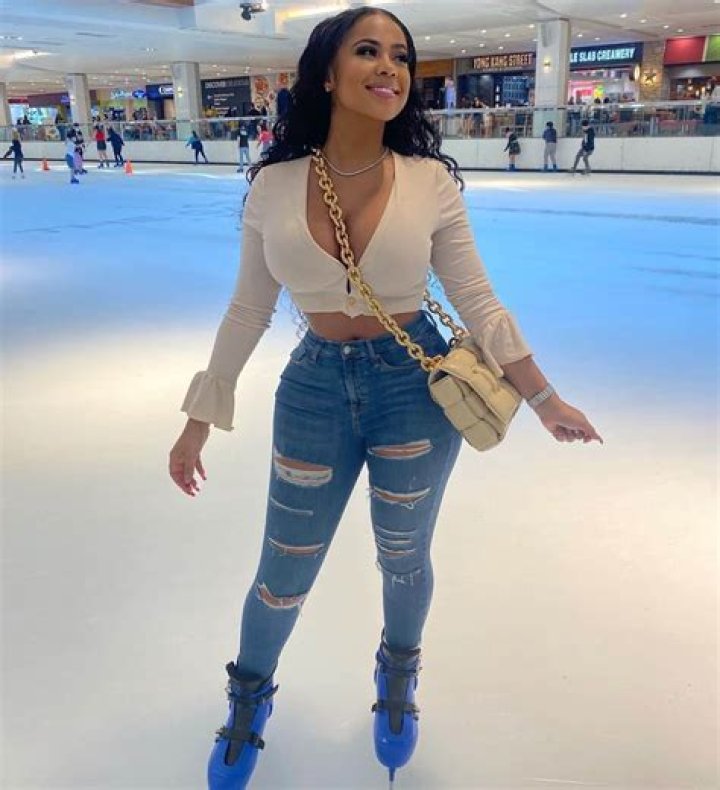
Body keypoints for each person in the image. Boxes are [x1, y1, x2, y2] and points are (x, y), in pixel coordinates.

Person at [169, 8, 602, 789]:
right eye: (367, 52)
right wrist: (199, 419)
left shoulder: (429, 181)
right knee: (283, 566)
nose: (389, 68)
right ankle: (248, 697)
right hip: (312, 389)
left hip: (414, 387)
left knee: (404, 556)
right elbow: (248, 307)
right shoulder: (275, 185)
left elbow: (477, 300)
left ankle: (397, 674)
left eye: (401, 57)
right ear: (326, 75)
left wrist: (545, 398)